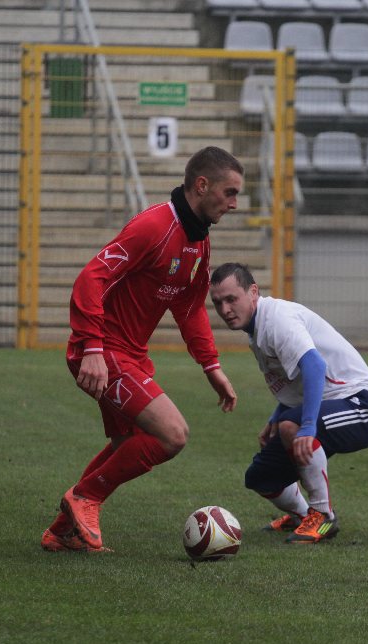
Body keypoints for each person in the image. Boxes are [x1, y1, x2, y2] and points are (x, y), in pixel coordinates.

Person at [42, 147, 243, 553]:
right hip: (103, 351)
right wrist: (93, 348)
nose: (234, 204)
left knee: (128, 444)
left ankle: (62, 531)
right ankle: (85, 498)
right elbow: (90, 278)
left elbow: (188, 309)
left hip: (128, 355)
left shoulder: (199, 244)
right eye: (229, 192)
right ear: (201, 186)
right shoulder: (154, 226)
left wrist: (211, 366)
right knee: (172, 434)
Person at [208, 263, 368, 544]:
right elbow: (296, 383)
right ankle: (302, 515)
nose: (225, 309)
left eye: (232, 299)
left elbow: (314, 366)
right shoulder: (258, 330)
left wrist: (305, 426)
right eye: (218, 302)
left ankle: (323, 516)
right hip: (331, 404)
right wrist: (276, 416)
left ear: (253, 292)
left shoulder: (278, 319)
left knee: (292, 427)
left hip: (362, 405)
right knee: (261, 477)